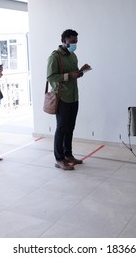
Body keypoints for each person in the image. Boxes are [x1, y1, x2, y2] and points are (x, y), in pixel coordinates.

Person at [47, 29, 91, 170]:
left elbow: (74, 74)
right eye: (72, 42)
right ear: (64, 41)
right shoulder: (55, 57)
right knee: (61, 128)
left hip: (74, 96)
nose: (75, 44)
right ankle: (59, 159)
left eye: (76, 42)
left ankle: (68, 154)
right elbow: (51, 77)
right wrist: (68, 76)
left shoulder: (73, 56)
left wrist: (80, 72)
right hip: (62, 97)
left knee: (70, 128)